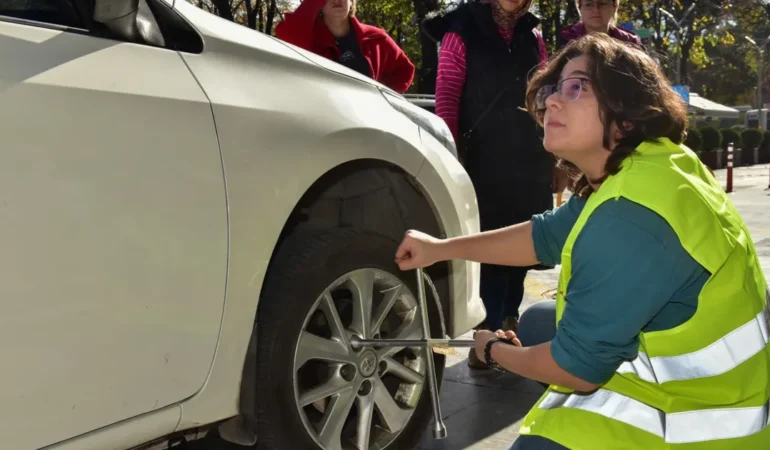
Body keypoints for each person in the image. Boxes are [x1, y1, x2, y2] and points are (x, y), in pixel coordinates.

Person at [395, 34, 770, 449]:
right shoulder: (652, 165)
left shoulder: (630, 219)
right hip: (710, 377)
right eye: (554, 91)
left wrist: (492, 352)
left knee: (540, 437)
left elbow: (578, 371)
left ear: (626, 113)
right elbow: (542, 236)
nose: (552, 101)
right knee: (539, 320)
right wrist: (440, 247)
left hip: (701, 421)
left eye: (576, 87)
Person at [422, 0, 566, 369]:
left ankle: (509, 323)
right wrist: (451, 155)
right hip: (483, 162)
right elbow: (447, 97)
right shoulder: (461, 29)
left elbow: (545, 100)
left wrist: (555, 158)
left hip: (528, 159)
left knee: (522, 246)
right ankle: (485, 335)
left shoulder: (534, 34)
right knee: (488, 248)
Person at [274, 0, 416, 93]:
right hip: (320, 120)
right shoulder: (308, 38)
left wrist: (382, 95)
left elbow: (405, 70)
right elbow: (285, 32)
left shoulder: (376, 38)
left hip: (366, 121)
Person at [561, 0, 641, 48]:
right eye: (589, 4)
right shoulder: (565, 40)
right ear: (579, 8)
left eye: (602, 3)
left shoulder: (630, 42)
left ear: (615, 7)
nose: (596, 10)